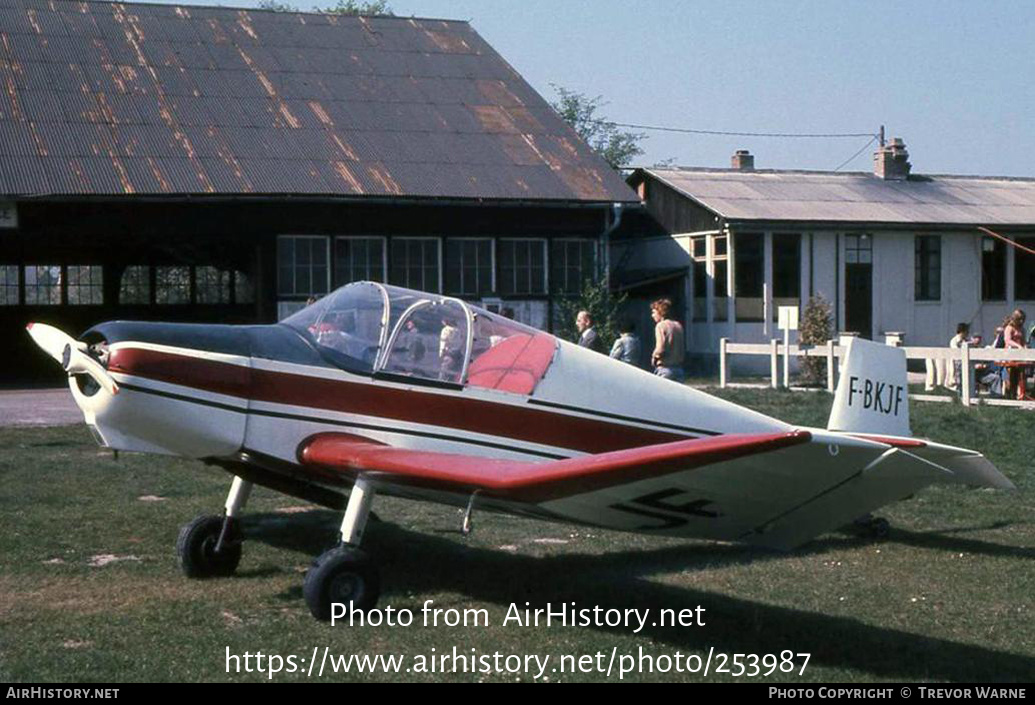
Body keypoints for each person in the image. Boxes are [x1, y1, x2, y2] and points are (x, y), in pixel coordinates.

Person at [650, 298, 685, 381]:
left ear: (660, 312)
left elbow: (660, 348)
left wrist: (654, 357)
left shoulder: (661, 326)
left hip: (666, 369)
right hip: (679, 368)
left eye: (654, 312)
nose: (652, 315)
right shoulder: (678, 325)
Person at [1003, 309, 1028, 399]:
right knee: (1010, 376)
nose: (1021, 321)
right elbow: (1007, 340)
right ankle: (1008, 396)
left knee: (1020, 376)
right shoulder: (1009, 328)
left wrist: (1025, 347)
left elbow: (1024, 341)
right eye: (1020, 319)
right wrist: (1017, 346)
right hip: (1010, 355)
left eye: (1023, 319)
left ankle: (1018, 395)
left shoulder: (1022, 329)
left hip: (1019, 356)